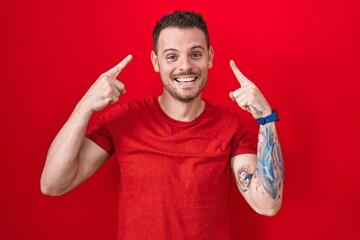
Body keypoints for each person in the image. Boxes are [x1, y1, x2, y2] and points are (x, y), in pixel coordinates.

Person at [41, 10, 284, 240]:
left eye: (195, 54)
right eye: (172, 56)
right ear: (156, 61)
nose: (185, 66)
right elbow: (53, 184)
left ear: (210, 57)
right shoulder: (124, 119)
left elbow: (268, 204)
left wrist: (265, 118)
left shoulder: (230, 126)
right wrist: (85, 105)